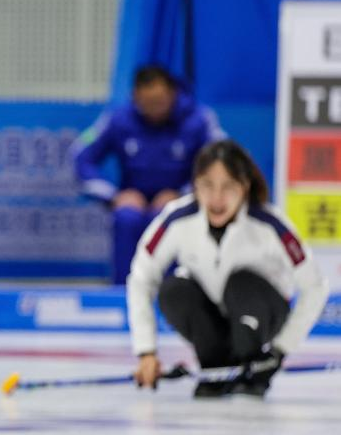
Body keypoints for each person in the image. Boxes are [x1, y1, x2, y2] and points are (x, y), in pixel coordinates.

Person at [127, 140, 328, 398]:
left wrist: (280, 349)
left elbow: (314, 286)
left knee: (240, 283)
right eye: (207, 185)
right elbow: (141, 278)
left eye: (228, 186)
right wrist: (146, 352)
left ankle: (252, 368)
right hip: (213, 322)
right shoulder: (176, 219)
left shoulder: (271, 225)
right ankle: (214, 367)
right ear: (195, 184)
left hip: (261, 313)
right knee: (175, 291)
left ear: (244, 186)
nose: (216, 198)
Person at [73, 65, 226, 283]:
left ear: (173, 94)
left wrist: (184, 194)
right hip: (134, 201)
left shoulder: (200, 119)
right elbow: (80, 157)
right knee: (126, 217)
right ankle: (124, 292)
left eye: (159, 102)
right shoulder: (118, 119)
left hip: (181, 200)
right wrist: (114, 197)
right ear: (135, 97)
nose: (154, 110)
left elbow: (220, 161)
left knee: (167, 216)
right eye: (147, 103)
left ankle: (173, 293)